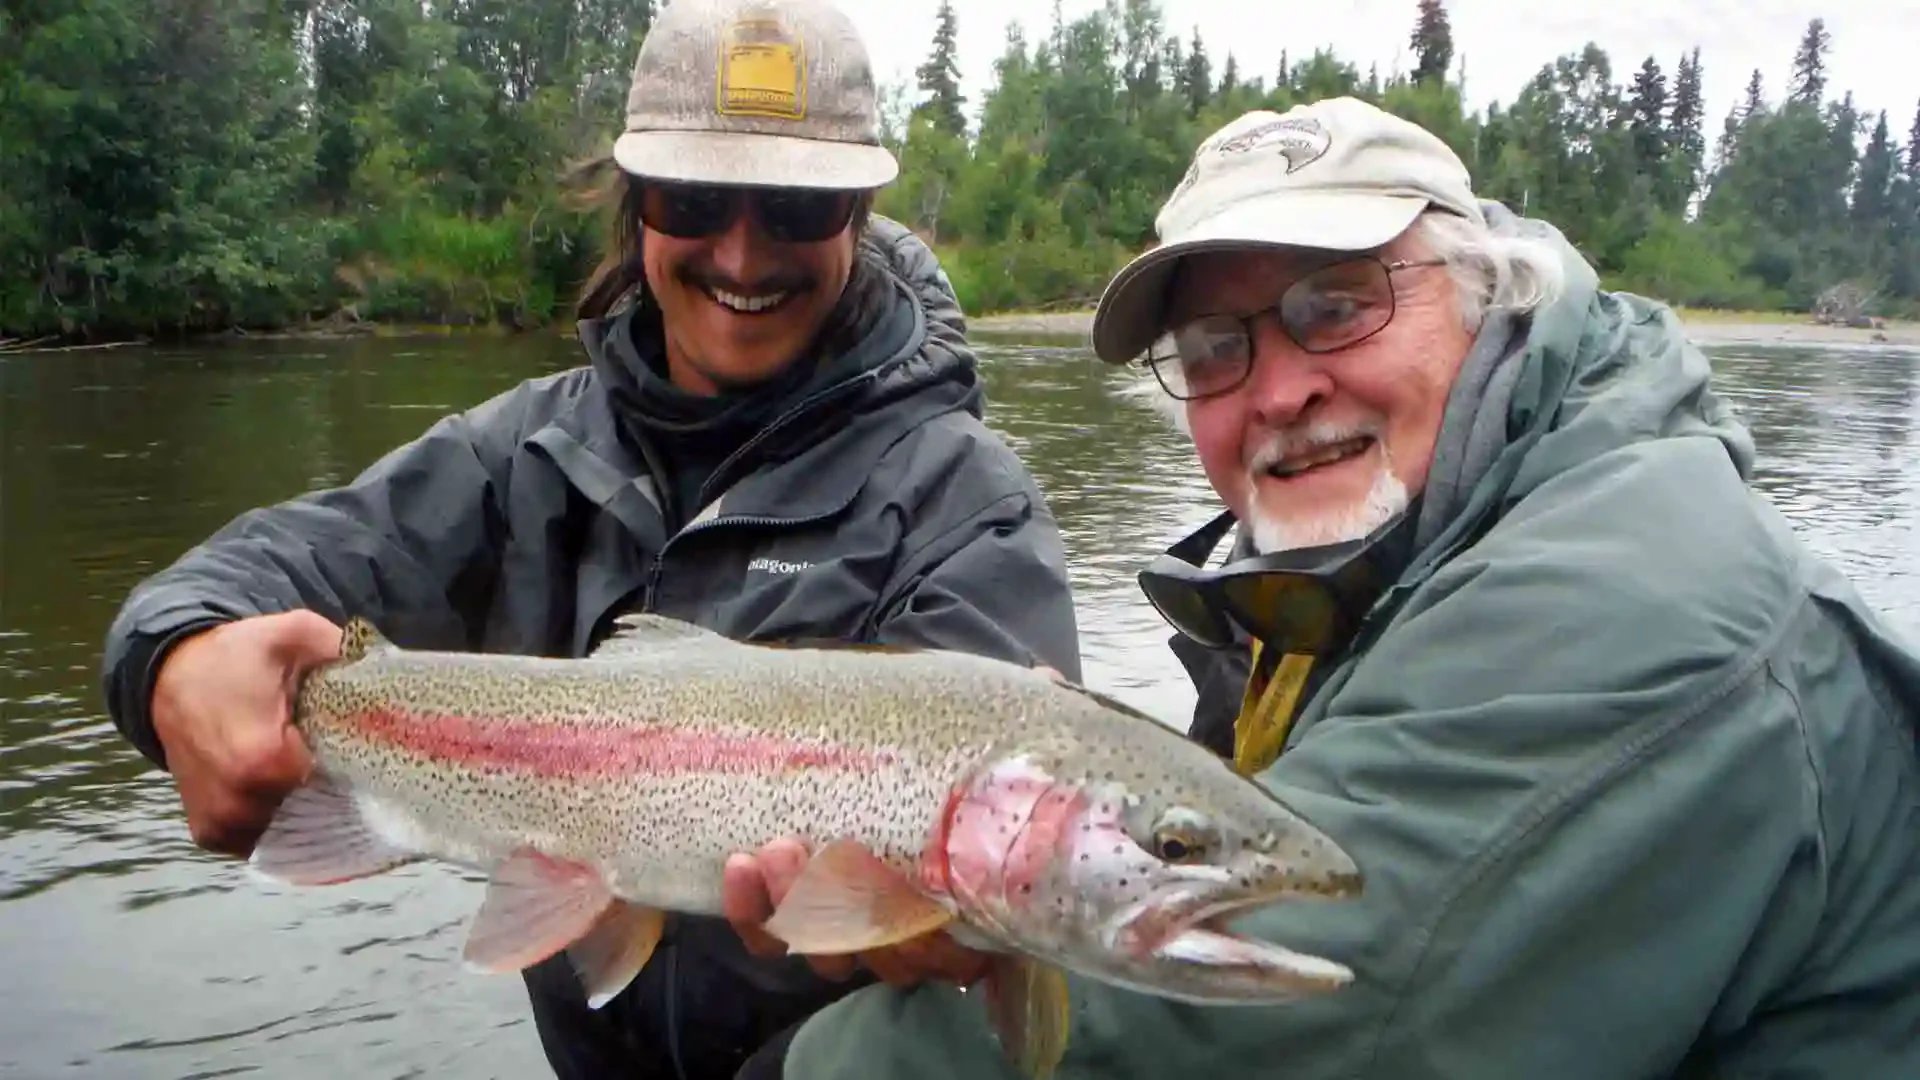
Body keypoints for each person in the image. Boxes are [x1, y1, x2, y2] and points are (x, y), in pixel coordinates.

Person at [725, 97, 1920, 1078]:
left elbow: (1273, 1030)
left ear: (1489, 294)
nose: (1278, 390)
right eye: (1214, 351)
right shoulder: (1362, 578)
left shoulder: (1633, 603)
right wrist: (1006, 929)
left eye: (1337, 306)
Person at [96, 1, 1082, 1077]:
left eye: (797, 207)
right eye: (696, 196)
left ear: (856, 211)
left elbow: (1010, 835)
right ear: (638, 205)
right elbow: (252, 572)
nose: (743, 252)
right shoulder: (524, 451)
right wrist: (172, 655)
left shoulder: (966, 498)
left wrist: (941, 922)